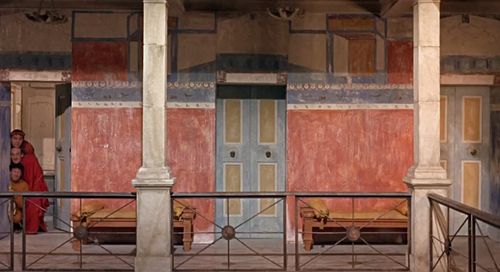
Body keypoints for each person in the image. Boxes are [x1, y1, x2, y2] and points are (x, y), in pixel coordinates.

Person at [10, 131, 49, 234]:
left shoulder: (29, 157)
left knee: (33, 200)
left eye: (20, 139)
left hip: (27, 187)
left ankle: (30, 227)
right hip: (12, 187)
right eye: (15, 138)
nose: (17, 141)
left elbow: (36, 175)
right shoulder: (7, 152)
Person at [8, 163, 29, 229]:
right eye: (14, 171)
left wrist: (14, 195)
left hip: (16, 213)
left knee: (17, 217)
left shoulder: (24, 185)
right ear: (10, 172)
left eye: (18, 172)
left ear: (21, 174)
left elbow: (22, 204)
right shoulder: (6, 181)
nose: (16, 174)